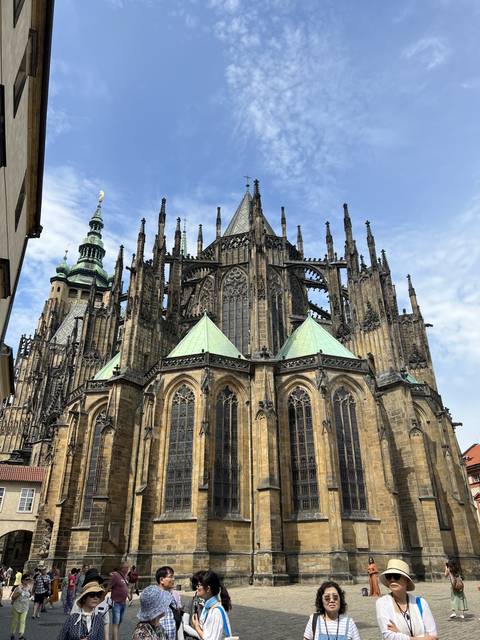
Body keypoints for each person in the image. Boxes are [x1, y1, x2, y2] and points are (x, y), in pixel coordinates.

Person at [376, 558, 438, 640]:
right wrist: (422, 638)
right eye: (388, 576)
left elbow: (434, 637)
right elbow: (389, 636)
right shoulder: (382, 603)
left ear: (406, 580)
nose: (392, 579)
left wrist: (399, 634)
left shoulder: (420, 603)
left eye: (396, 576)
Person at [191, 570, 233, 640]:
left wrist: (197, 627)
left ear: (208, 589)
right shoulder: (207, 607)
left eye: (199, 585)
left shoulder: (216, 612)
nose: (196, 588)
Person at [71, 569, 110, 640]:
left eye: (96, 581)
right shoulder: (79, 601)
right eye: (91, 581)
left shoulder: (104, 602)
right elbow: (73, 622)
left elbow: (106, 622)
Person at [156, 566, 181, 640]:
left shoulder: (170, 595)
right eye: (171, 577)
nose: (173, 579)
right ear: (161, 580)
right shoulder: (155, 597)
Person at [183, 571, 206, 639]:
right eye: (197, 585)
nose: (197, 587)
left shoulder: (212, 603)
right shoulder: (191, 602)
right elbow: (185, 625)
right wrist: (198, 635)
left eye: (200, 584)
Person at [10, 573, 34, 640]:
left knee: (22, 621)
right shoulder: (18, 587)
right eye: (26, 579)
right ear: (23, 580)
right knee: (15, 621)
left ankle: (21, 635)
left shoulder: (29, 587)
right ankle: (12, 633)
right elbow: (13, 598)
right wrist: (19, 592)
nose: (28, 581)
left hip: (25, 607)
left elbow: (30, 594)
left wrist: (30, 594)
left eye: (28, 580)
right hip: (17, 607)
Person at [111, 562, 130, 640]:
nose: (127, 569)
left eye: (127, 568)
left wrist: (128, 595)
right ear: (121, 568)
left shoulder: (125, 577)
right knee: (116, 622)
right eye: (125, 567)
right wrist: (102, 597)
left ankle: (114, 638)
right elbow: (109, 586)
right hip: (116, 602)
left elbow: (125, 587)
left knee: (119, 622)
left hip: (123, 602)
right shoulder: (115, 575)